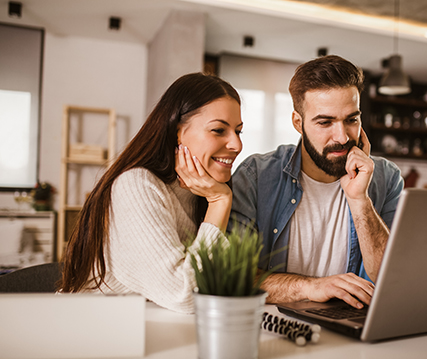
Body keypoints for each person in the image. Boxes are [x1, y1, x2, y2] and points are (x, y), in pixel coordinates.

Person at [59, 73, 243, 314]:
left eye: (238, 131)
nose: (237, 145)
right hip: (86, 332)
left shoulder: (203, 193)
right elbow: (185, 295)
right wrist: (219, 202)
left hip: (145, 330)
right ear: (177, 132)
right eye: (219, 130)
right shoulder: (136, 185)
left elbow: (225, 285)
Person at [230, 55, 404, 309]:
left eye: (351, 120)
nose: (342, 137)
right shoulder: (255, 176)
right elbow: (236, 277)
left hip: (353, 327)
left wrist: (359, 200)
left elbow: (393, 279)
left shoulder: (385, 177)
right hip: (276, 327)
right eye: (325, 122)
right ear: (298, 123)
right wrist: (312, 287)